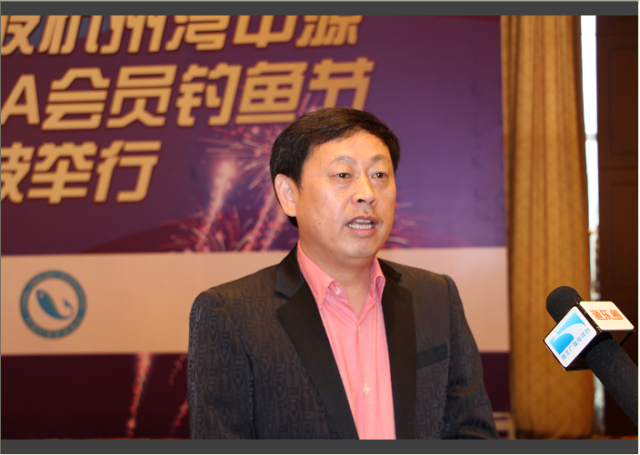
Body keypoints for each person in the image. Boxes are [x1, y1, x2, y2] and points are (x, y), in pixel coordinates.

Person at [187, 107, 498, 439]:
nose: (367, 193)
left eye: (379, 175)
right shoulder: (230, 314)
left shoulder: (436, 298)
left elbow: (472, 433)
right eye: (342, 175)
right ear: (289, 195)